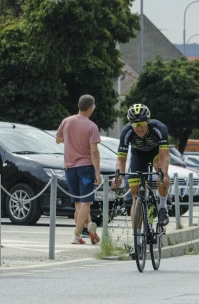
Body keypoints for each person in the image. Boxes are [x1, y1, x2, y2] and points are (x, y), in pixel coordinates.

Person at [112, 104, 170, 256]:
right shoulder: (126, 132)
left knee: (160, 169)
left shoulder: (159, 128)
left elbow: (164, 156)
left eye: (142, 124)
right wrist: (119, 175)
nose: (139, 128)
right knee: (135, 195)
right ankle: (137, 241)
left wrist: (163, 173)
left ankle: (163, 206)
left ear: (148, 121)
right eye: (135, 125)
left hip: (156, 154)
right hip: (138, 157)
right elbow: (121, 159)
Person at [56, 94, 101, 245]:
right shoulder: (91, 126)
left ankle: (88, 229)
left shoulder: (66, 121)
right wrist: (98, 172)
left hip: (69, 167)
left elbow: (58, 139)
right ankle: (76, 234)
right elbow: (94, 151)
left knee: (78, 204)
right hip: (86, 167)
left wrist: (69, 138)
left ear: (78, 105)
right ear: (91, 108)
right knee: (86, 202)